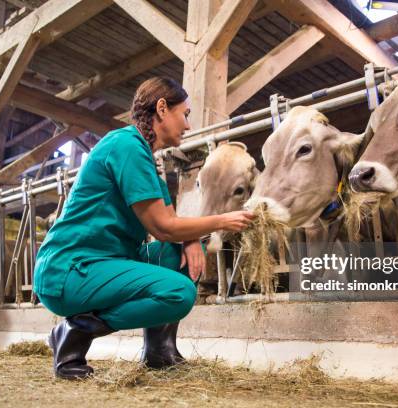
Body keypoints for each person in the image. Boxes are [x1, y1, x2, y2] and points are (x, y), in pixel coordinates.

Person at [33, 77, 254, 380]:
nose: (188, 125)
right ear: (162, 108)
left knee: (186, 251)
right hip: (69, 269)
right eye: (185, 114)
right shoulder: (126, 146)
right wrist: (222, 221)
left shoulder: (148, 160)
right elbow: (163, 227)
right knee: (180, 293)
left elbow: (170, 219)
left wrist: (190, 240)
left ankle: (159, 352)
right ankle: (75, 330)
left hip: (105, 263)